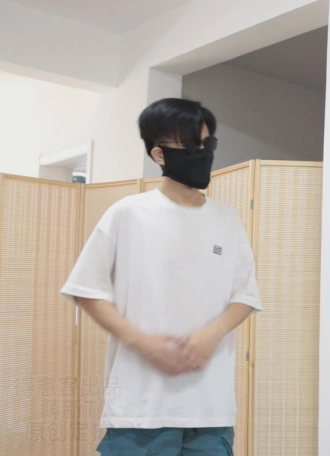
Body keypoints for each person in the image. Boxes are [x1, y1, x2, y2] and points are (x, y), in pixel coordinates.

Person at [61, 98, 262, 455]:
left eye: (207, 144)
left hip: (210, 410)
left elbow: (245, 296)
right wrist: (144, 343)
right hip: (140, 411)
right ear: (159, 154)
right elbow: (86, 289)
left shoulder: (227, 219)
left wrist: (211, 334)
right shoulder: (128, 213)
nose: (203, 153)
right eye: (192, 146)